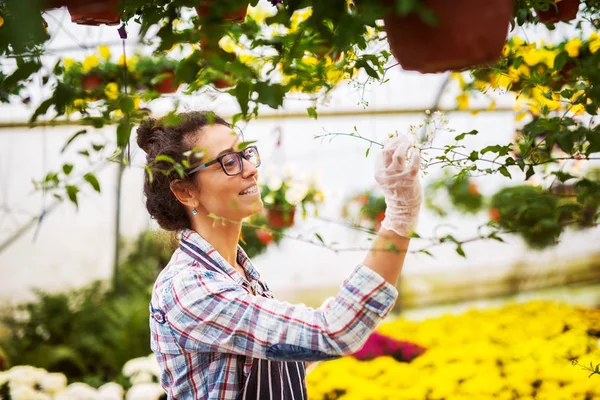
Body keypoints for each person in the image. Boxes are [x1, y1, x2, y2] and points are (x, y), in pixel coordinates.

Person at [138, 111, 422, 400]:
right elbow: (333, 331)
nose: (250, 169)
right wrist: (399, 216)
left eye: (245, 153)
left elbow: (284, 351)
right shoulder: (189, 287)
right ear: (185, 191)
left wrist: (318, 326)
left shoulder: (237, 271)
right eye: (228, 162)